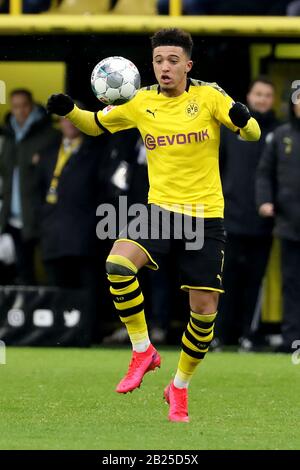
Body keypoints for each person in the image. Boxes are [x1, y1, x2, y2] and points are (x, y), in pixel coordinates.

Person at [47, 28, 260, 422]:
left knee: (204, 312)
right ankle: (143, 349)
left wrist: (243, 119)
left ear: (188, 65)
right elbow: (96, 123)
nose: (165, 67)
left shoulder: (209, 96)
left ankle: (178, 387)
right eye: (159, 60)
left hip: (204, 216)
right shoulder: (139, 101)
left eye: (173, 60)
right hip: (159, 210)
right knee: (117, 264)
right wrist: (70, 110)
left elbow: (252, 133)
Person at [215, 77, 279, 351]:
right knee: (224, 281)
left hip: (262, 221)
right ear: (249, 96)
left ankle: (247, 335)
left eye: (267, 95)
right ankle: (219, 335)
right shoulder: (231, 130)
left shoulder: (279, 133)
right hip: (229, 217)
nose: (262, 99)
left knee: (254, 282)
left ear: (273, 100)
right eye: (258, 94)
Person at [0, 89, 60, 284]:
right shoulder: (7, 135)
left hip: (42, 213)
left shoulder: (49, 134)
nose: (20, 111)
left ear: (32, 105)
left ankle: (52, 313)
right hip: (14, 217)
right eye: (16, 107)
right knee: (22, 269)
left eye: (24, 106)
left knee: (52, 266)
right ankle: (25, 313)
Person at [256, 95, 300, 353]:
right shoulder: (280, 135)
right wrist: (264, 201)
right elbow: (264, 172)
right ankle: (292, 338)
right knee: (292, 283)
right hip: (290, 223)